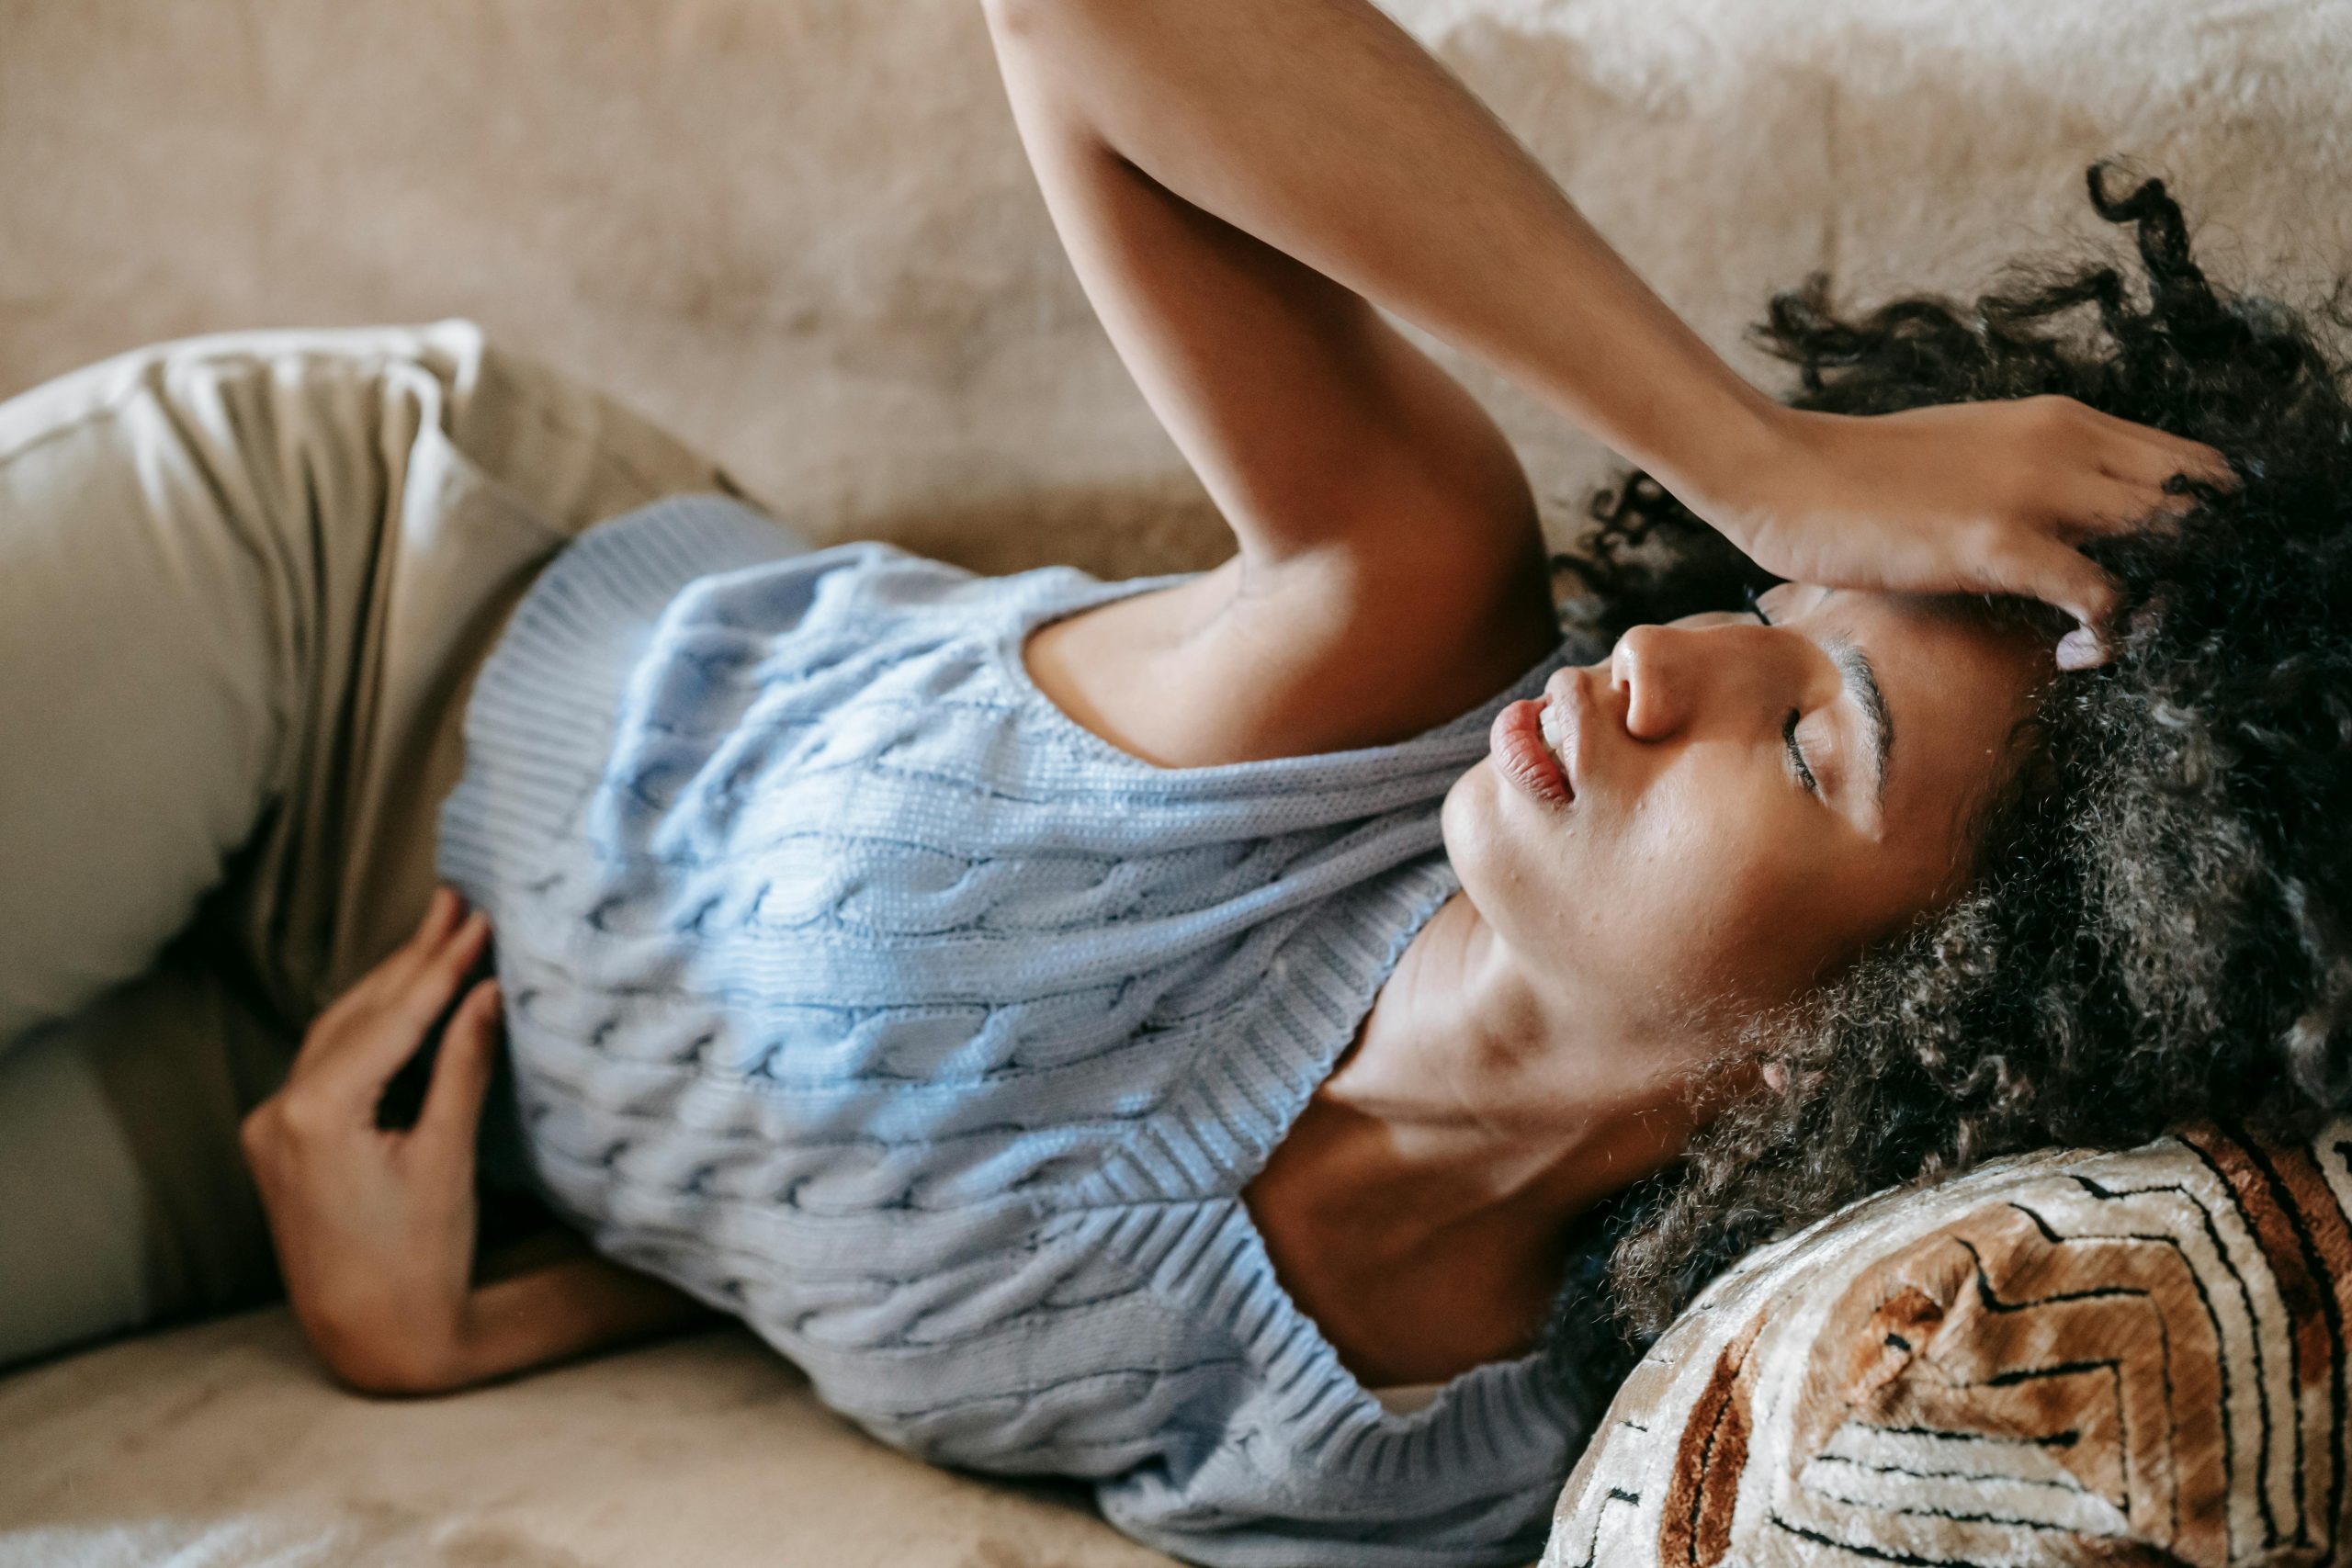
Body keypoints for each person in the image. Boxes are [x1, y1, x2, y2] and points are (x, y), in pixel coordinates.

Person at [6, 4, 2340, 1568]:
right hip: (344, 624)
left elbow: (907, 1217)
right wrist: (1756, 454)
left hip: (335, 1091)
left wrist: (460, 1331)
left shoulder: (1450, 1464)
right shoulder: (1397, 630)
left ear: (1914, 1036)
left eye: (1815, 734)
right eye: (1778, 588)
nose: (1673, 658)